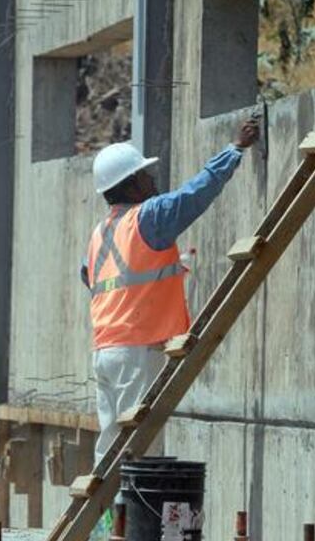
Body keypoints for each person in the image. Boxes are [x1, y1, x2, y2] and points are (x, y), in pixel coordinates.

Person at [83, 118, 261, 465]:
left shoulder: (100, 233)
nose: (152, 181)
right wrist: (234, 150)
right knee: (141, 451)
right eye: (145, 176)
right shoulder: (148, 217)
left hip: (106, 351)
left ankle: (109, 519)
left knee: (110, 450)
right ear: (131, 185)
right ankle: (131, 520)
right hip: (139, 351)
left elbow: (91, 276)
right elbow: (194, 195)